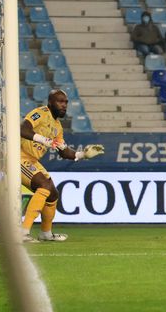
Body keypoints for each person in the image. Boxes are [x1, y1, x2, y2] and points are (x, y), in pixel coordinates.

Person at [20, 90, 104, 242]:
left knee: (52, 193)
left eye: (66, 102)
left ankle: (45, 233)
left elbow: (64, 152)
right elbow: (22, 129)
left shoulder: (57, 126)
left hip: (31, 160)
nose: (64, 105)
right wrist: (45, 140)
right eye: (60, 101)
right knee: (44, 186)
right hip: (18, 156)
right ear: (50, 102)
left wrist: (83, 155)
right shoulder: (40, 113)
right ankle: (23, 232)